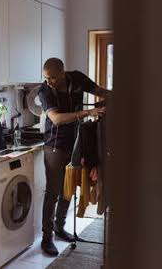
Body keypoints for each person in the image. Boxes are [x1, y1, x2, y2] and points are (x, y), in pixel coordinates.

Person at [38, 57, 109, 256]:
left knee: (68, 188)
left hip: (76, 143)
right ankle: (46, 238)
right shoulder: (44, 91)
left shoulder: (76, 78)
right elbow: (56, 119)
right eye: (46, 77)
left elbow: (98, 91)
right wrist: (89, 111)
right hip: (55, 146)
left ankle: (60, 228)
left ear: (63, 72)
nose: (48, 81)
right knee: (53, 192)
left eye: (52, 77)